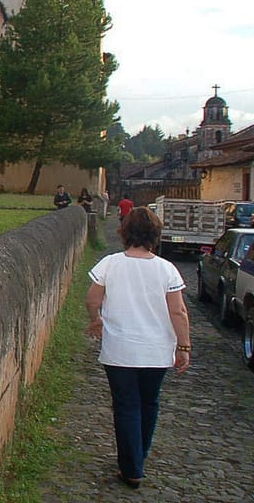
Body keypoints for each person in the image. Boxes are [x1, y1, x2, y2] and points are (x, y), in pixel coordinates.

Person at [84, 207, 191, 489]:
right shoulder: (166, 269)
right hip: (156, 351)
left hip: (119, 349)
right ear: (155, 235)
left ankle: (131, 467)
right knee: (149, 402)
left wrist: (96, 321)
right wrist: (184, 346)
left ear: (125, 233)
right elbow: (178, 311)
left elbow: (92, 299)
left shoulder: (110, 264)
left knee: (126, 405)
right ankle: (138, 456)